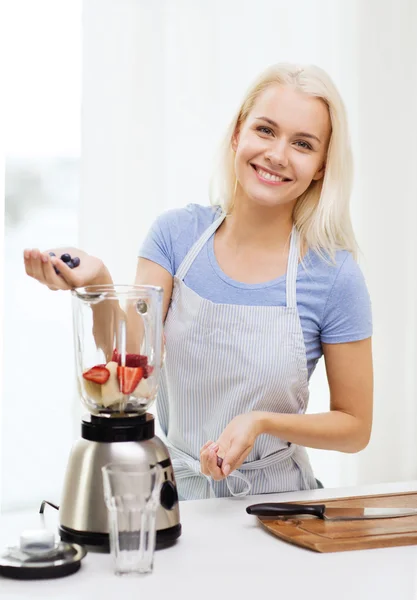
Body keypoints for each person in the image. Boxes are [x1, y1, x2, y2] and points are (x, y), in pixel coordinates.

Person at [23, 62, 373, 501]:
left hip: (282, 511)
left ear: (321, 166)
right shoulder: (175, 237)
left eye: (302, 144)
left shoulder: (334, 274)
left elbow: (355, 427)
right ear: (237, 135)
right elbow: (135, 362)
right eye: (265, 130)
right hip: (179, 500)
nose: (278, 154)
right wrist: (99, 284)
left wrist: (262, 421)